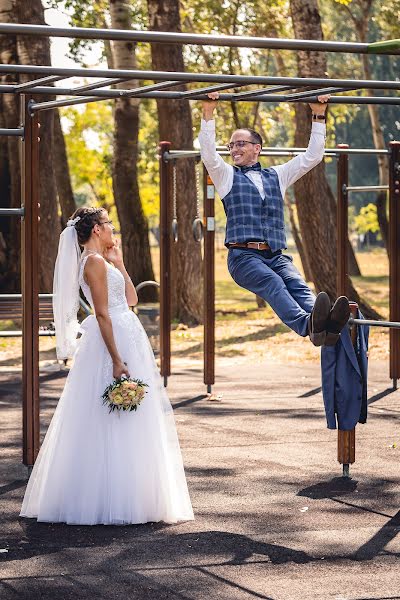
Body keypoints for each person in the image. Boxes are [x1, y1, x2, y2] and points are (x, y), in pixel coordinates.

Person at [20, 207, 194, 525]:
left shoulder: (105, 260)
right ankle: (105, 495)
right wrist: (116, 359)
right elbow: (102, 313)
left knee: (132, 413)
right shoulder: (93, 262)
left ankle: (133, 489)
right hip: (110, 342)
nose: (113, 228)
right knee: (107, 413)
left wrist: (122, 264)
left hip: (127, 333)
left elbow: (131, 300)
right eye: (109, 223)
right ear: (97, 230)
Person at [199, 92, 349, 346]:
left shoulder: (277, 175)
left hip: (275, 254)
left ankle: (326, 326)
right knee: (273, 283)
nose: (234, 149)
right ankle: (307, 324)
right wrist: (208, 113)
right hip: (243, 257)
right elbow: (209, 155)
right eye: (231, 145)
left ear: (257, 148)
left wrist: (318, 116)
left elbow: (312, 157)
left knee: (297, 283)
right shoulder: (226, 176)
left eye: (240, 144)